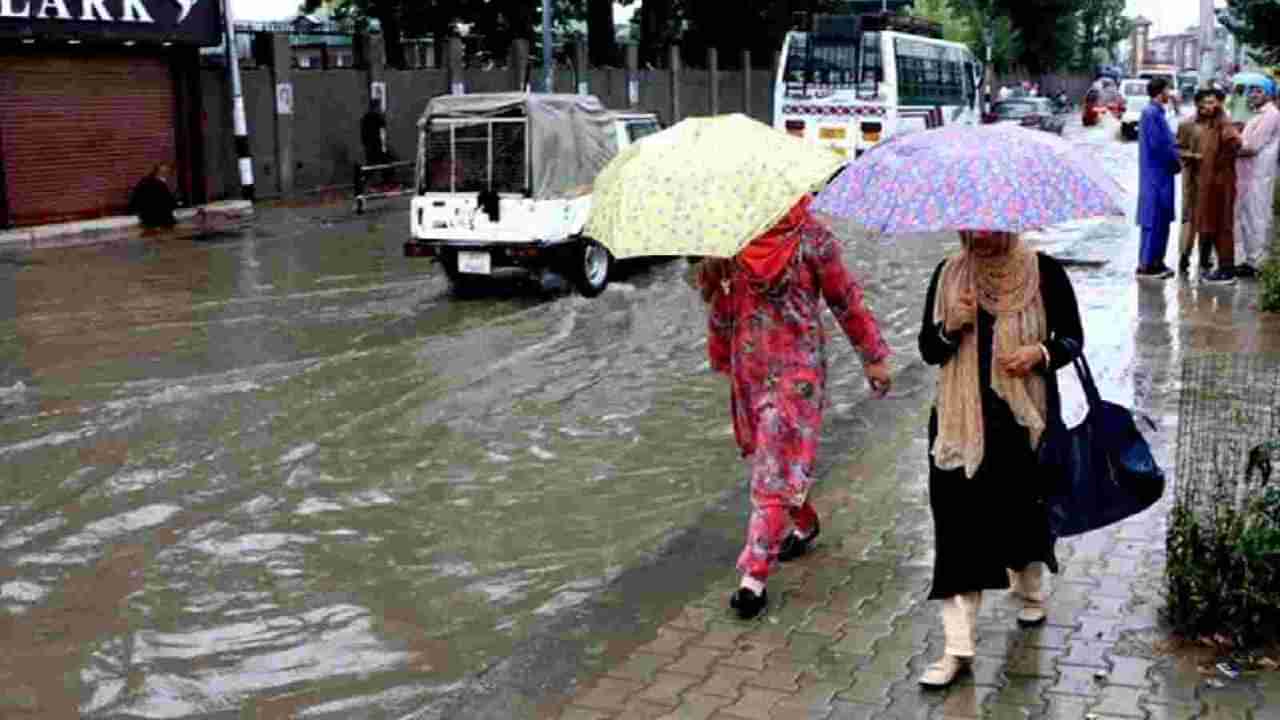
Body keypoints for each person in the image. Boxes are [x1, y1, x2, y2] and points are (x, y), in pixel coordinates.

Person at [701, 195, 892, 621]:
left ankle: (754, 574)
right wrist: (712, 282)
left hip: (797, 376)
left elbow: (845, 299)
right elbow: (723, 306)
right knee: (773, 460)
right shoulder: (733, 240)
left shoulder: (813, 239)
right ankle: (804, 524)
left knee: (773, 469)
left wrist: (873, 357)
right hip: (750, 368)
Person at [916, 230, 1084, 688]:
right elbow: (929, 350)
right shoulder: (948, 274)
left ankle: (1029, 587)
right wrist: (949, 327)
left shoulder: (1043, 272)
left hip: (1020, 422)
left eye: (988, 229)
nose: (979, 239)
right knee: (957, 529)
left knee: (1019, 519)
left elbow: (1072, 339)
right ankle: (957, 649)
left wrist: (1040, 353)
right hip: (957, 426)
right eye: (970, 230)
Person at [1192, 88, 1244, 285]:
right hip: (1212, 184)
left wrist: (1222, 165)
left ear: (1220, 103)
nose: (1208, 106)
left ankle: (1226, 269)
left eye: (1212, 102)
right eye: (1205, 102)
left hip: (1221, 184)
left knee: (1223, 225)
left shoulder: (1224, 122)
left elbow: (1235, 142)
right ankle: (1222, 267)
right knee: (1212, 225)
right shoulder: (1211, 123)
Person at [1233, 82, 1280, 279]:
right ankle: (1251, 260)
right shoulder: (1259, 115)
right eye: (1251, 91)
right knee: (1248, 218)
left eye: (1258, 91)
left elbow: (1251, 146)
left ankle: (1257, 263)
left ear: (1269, 94)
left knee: (1257, 218)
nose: (1253, 94)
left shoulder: (1271, 115)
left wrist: (1230, 147)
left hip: (1259, 175)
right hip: (1250, 176)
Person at [1136, 78, 1181, 280]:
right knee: (1153, 219)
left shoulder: (1158, 113)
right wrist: (1177, 161)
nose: (1170, 93)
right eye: (1167, 89)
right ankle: (1148, 264)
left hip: (1161, 174)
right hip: (1156, 175)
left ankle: (1156, 261)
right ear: (1160, 92)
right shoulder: (1151, 113)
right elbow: (1160, 146)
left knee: (1161, 219)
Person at [1176, 100, 1210, 275]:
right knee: (1189, 219)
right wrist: (1194, 156)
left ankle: (1205, 259)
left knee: (1209, 219)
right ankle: (1184, 258)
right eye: (1205, 104)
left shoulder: (1217, 124)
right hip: (1191, 179)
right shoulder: (1186, 125)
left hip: (1211, 180)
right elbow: (1178, 149)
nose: (1208, 107)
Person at [128, 163, 177, 229]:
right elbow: (169, 204)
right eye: (166, 172)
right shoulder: (160, 185)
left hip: (145, 218)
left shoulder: (144, 181)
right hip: (157, 220)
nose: (167, 175)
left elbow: (134, 200)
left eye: (168, 172)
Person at [360, 99, 389, 166]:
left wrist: (365, 143)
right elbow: (383, 131)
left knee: (371, 162)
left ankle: (368, 174)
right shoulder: (378, 117)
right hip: (376, 144)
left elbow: (363, 133)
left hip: (368, 145)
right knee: (382, 162)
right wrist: (384, 145)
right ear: (376, 107)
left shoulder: (365, 117)